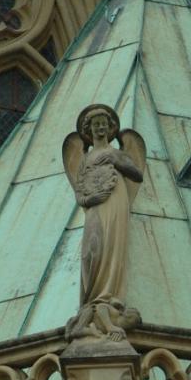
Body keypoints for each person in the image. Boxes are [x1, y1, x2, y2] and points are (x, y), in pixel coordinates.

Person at [63, 105, 145, 341]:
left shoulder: (115, 153)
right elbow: (80, 193)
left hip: (115, 203)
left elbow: (137, 174)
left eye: (104, 124)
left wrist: (117, 161)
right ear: (89, 130)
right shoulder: (85, 159)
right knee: (92, 250)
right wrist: (91, 199)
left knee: (113, 244)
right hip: (95, 207)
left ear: (110, 128)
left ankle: (106, 298)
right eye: (96, 124)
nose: (100, 128)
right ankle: (92, 298)